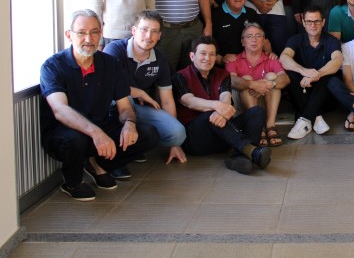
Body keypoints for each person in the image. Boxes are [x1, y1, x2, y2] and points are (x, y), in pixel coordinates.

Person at [40, 10, 158, 200]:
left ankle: (99, 165)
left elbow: (124, 107)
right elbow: (60, 110)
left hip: (100, 128)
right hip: (64, 133)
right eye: (81, 33)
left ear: (101, 33)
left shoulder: (110, 64)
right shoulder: (53, 66)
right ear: (69, 35)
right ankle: (73, 182)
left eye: (94, 32)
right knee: (75, 140)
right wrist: (95, 132)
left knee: (148, 134)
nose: (89, 39)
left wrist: (129, 124)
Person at [104, 10, 188, 178]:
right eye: (144, 29)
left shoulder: (160, 60)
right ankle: (115, 160)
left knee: (177, 133)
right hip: (113, 106)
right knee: (125, 98)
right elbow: (107, 86)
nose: (148, 36)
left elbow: (167, 101)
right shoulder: (114, 50)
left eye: (154, 31)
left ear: (159, 36)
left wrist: (174, 144)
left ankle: (134, 147)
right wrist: (139, 92)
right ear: (134, 31)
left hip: (138, 109)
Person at [173, 36, 271, 175]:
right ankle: (252, 151)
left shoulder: (223, 74)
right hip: (196, 140)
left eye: (212, 54)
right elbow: (189, 101)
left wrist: (221, 110)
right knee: (209, 114)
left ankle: (240, 156)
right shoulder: (180, 76)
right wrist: (217, 106)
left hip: (223, 134)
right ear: (192, 56)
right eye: (203, 53)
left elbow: (226, 96)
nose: (207, 58)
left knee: (257, 112)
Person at [281, 6, 343, 139]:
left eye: (316, 21)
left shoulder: (331, 41)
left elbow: (338, 60)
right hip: (301, 94)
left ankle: (304, 120)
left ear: (323, 22)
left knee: (329, 75)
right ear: (303, 23)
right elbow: (284, 58)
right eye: (309, 21)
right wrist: (304, 71)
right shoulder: (295, 39)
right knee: (290, 73)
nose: (313, 25)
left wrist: (316, 75)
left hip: (324, 99)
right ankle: (316, 118)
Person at [226, 23, 289, 147]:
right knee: (246, 79)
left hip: (265, 102)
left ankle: (270, 126)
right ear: (242, 42)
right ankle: (257, 128)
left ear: (264, 40)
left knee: (272, 78)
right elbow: (231, 80)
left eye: (258, 36)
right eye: (249, 36)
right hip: (242, 106)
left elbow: (285, 79)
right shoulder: (233, 59)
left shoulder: (271, 59)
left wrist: (270, 84)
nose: (254, 40)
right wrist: (252, 84)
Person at [211, 0, 273, 66]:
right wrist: (221, 59)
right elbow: (206, 47)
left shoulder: (252, 14)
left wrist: (270, 61)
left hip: (251, 65)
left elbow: (264, 41)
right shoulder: (214, 15)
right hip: (225, 66)